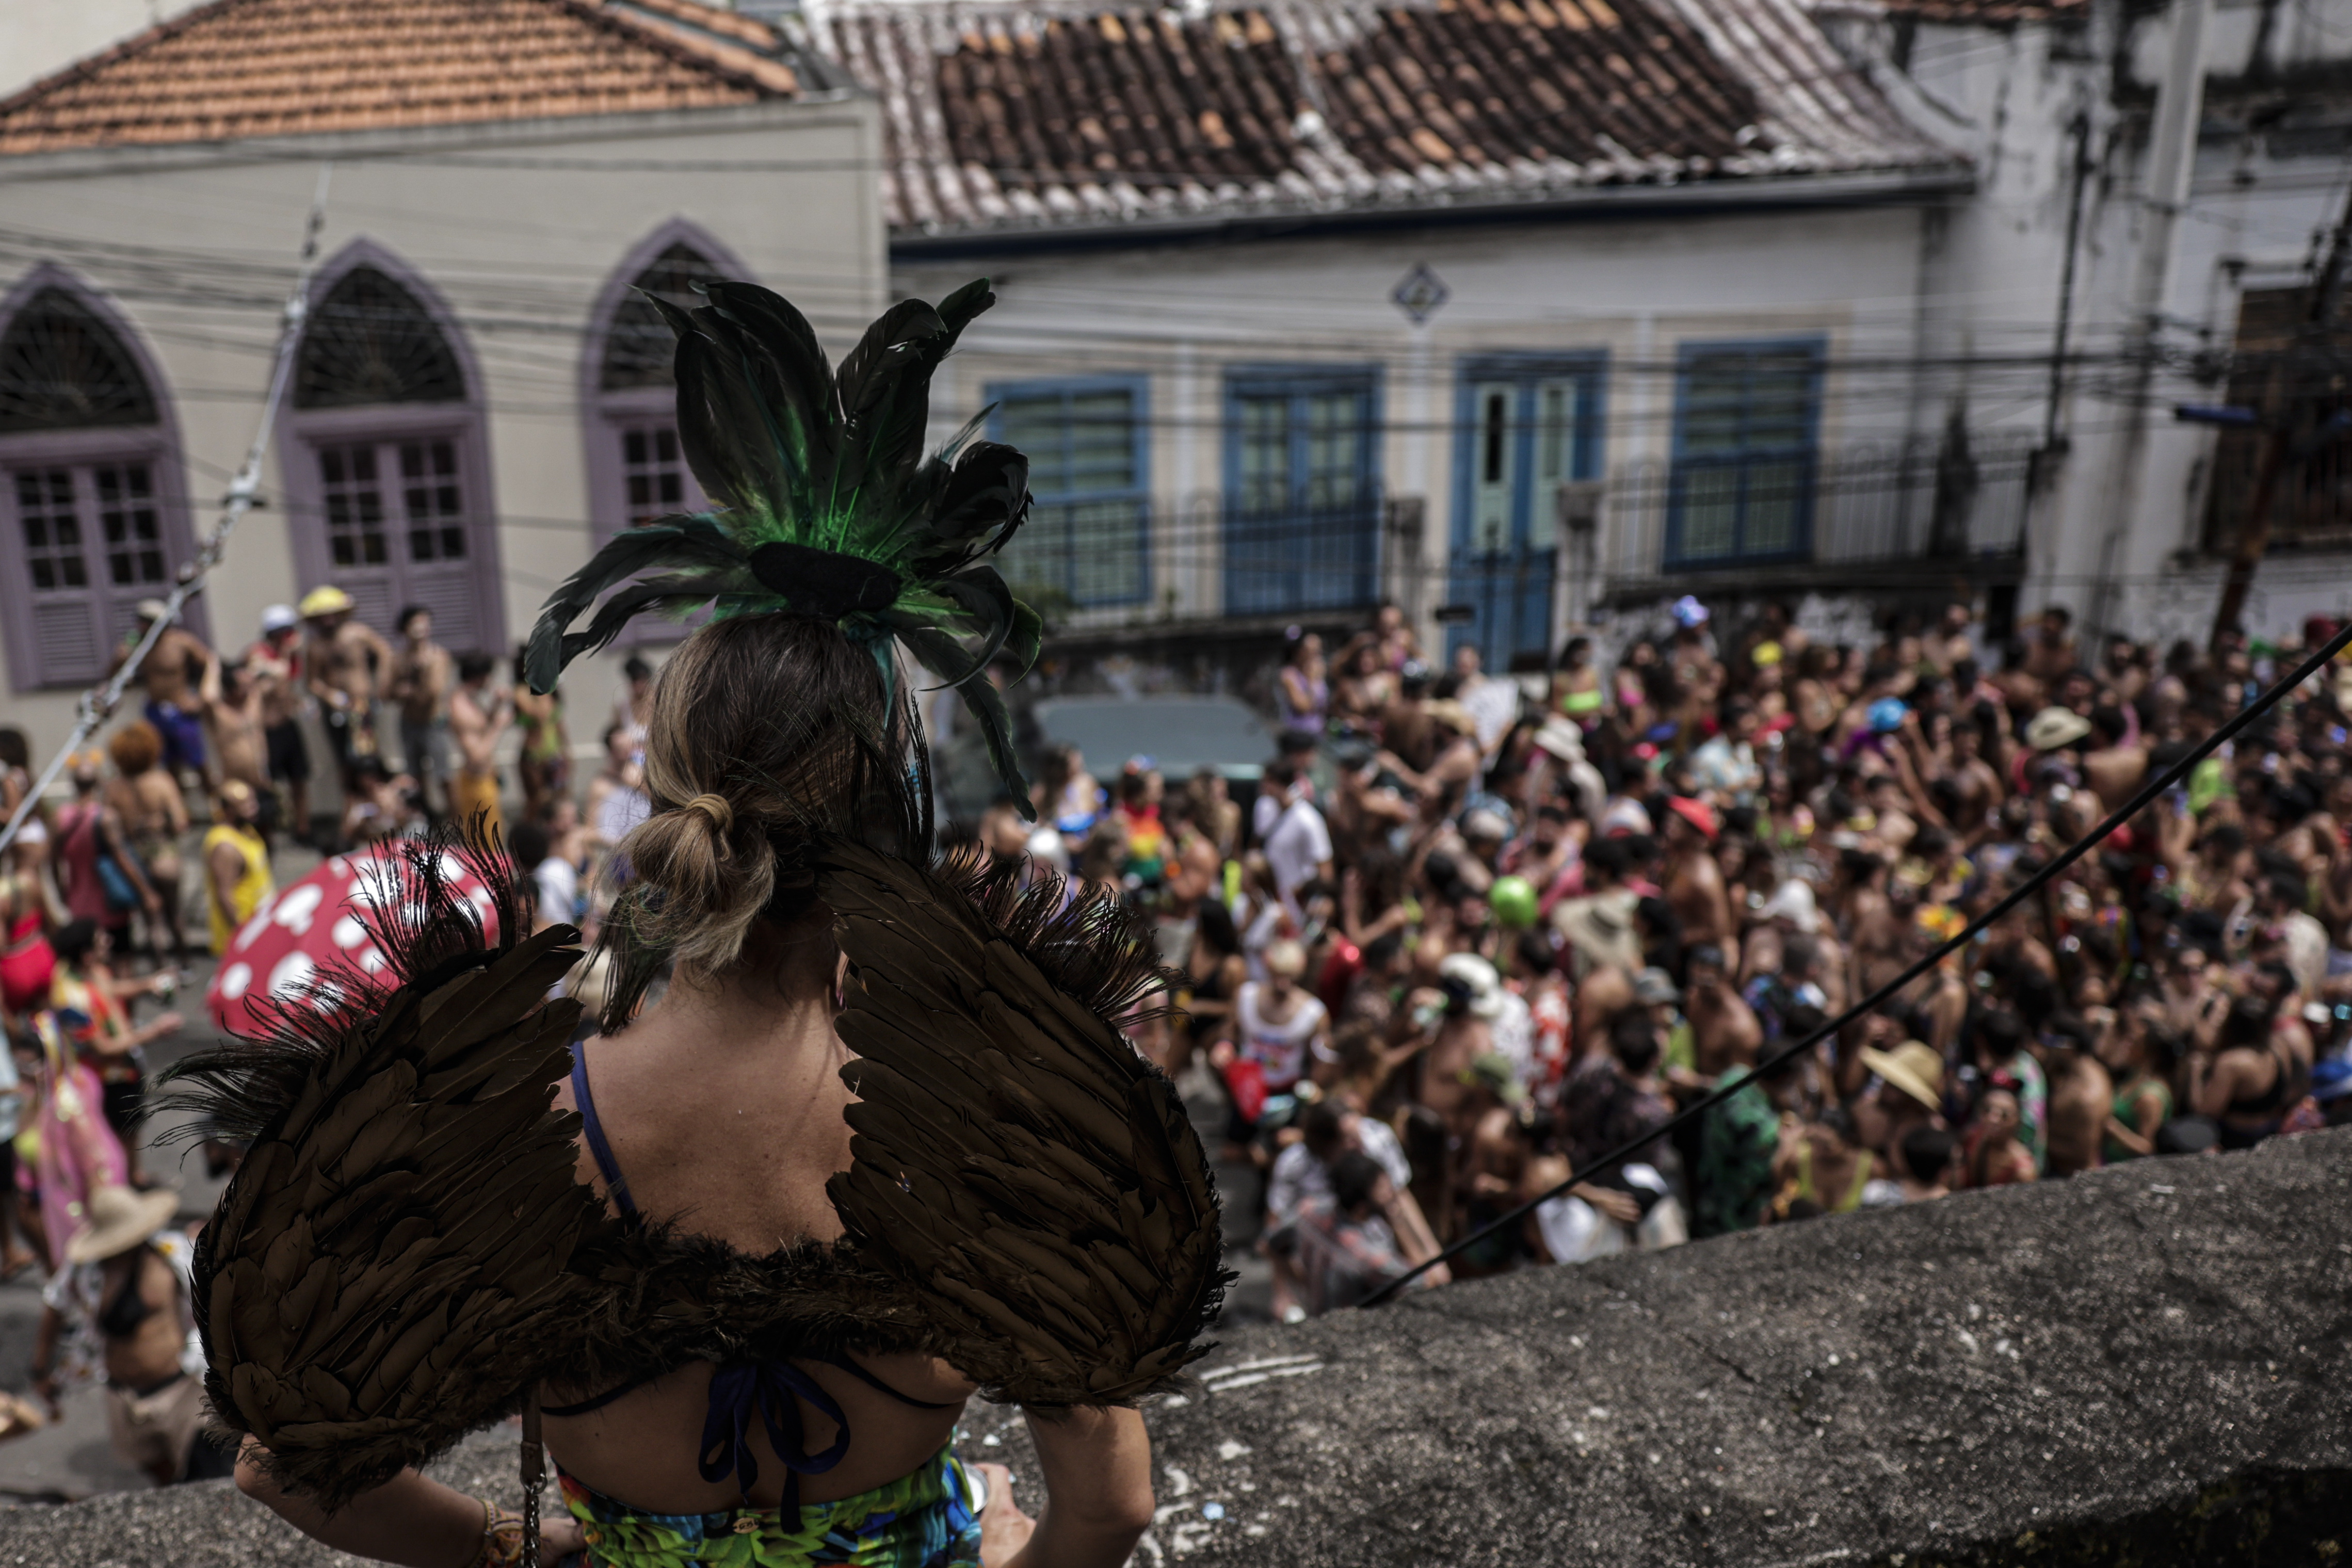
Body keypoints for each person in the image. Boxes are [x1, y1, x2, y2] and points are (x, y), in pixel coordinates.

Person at [198, 279, 1209, 1568]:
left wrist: (514, 1550)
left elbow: (287, 1464)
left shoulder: (518, 1115)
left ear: (671, 790)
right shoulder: (993, 1124)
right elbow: (1113, 1508)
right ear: (888, 825)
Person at [30, 1183, 230, 1485]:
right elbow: (54, 1305)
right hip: (122, 1393)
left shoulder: (172, 1256)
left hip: (181, 1390)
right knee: (158, 1472)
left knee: (207, 1473)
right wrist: (40, 1369)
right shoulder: (85, 1270)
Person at [49, 918, 178, 1185]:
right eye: (100, 940)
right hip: (108, 1078)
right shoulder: (72, 999)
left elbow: (111, 989)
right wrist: (154, 1032)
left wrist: (148, 984)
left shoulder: (88, 970)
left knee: (130, 1128)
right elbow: (102, 1048)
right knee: (116, 1137)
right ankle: (123, 1188)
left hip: (125, 1067)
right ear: (86, 955)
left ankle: (134, 1178)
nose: (108, 942)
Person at [52, 750, 159, 954]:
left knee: (92, 965)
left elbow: (53, 862)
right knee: (121, 960)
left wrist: (61, 892)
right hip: (110, 903)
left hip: (78, 904)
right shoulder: (106, 817)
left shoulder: (60, 817)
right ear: (98, 782)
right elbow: (122, 859)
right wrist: (146, 892)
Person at [103, 722, 188, 966]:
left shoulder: (113, 788)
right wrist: (162, 823)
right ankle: (184, 963)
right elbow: (181, 823)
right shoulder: (162, 781)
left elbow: (109, 828)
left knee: (150, 920)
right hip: (163, 853)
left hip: (134, 857)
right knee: (175, 915)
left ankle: (160, 969)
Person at [301, 585, 393, 800]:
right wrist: (330, 695)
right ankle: (354, 804)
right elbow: (312, 681)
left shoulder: (358, 633)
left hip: (361, 706)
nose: (328, 620)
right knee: (344, 761)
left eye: (331, 615)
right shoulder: (315, 646)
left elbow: (385, 653)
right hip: (337, 709)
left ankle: (376, 802)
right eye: (322, 616)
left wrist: (381, 684)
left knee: (367, 758)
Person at [110, 600, 213, 781]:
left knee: (197, 760)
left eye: (147, 621)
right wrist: (120, 660)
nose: (142, 626)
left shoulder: (181, 642)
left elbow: (210, 664)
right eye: (140, 621)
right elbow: (114, 677)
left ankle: (215, 802)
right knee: (167, 762)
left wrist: (201, 698)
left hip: (181, 709)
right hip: (156, 709)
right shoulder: (139, 647)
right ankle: (178, 803)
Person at [244, 605, 313, 842]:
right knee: (267, 785)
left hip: (287, 725)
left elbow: (285, 687)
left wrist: (298, 704)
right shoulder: (259, 654)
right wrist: (285, 653)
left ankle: (303, 829)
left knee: (299, 779)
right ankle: (268, 834)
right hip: (268, 731)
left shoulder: (291, 656)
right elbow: (277, 674)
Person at [385, 605, 454, 819]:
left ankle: (456, 821)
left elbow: (433, 692)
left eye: (424, 623)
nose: (421, 628)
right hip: (409, 722)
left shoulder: (437, 656)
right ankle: (426, 818)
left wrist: (416, 684)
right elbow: (386, 693)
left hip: (433, 723)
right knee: (415, 776)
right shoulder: (399, 659)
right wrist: (401, 691)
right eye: (415, 623)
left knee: (444, 775)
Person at [202, 780, 275, 956]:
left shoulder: (247, 831)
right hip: (241, 937)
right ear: (228, 811)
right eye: (245, 805)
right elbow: (224, 896)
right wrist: (243, 934)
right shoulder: (225, 847)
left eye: (253, 801)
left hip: (258, 928)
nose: (254, 808)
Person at [447, 652, 510, 836]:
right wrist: (498, 728)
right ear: (479, 676)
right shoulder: (460, 708)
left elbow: (480, 729)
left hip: (483, 779)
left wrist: (496, 705)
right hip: (477, 785)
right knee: (488, 847)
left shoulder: (468, 699)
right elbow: (477, 756)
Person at [512, 646, 570, 828]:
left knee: (559, 804)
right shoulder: (521, 692)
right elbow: (540, 715)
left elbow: (559, 723)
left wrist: (567, 752)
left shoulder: (552, 690)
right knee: (536, 804)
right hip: (534, 758)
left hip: (554, 755)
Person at [1277, 629, 1329, 736]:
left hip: (1319, 732)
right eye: (1311, 651)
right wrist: (1311, 681)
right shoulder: (1289, 674)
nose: (1316, 656)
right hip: (1299, 734)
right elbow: (1303, 707)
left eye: (1318, 651)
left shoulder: (1318, 672)